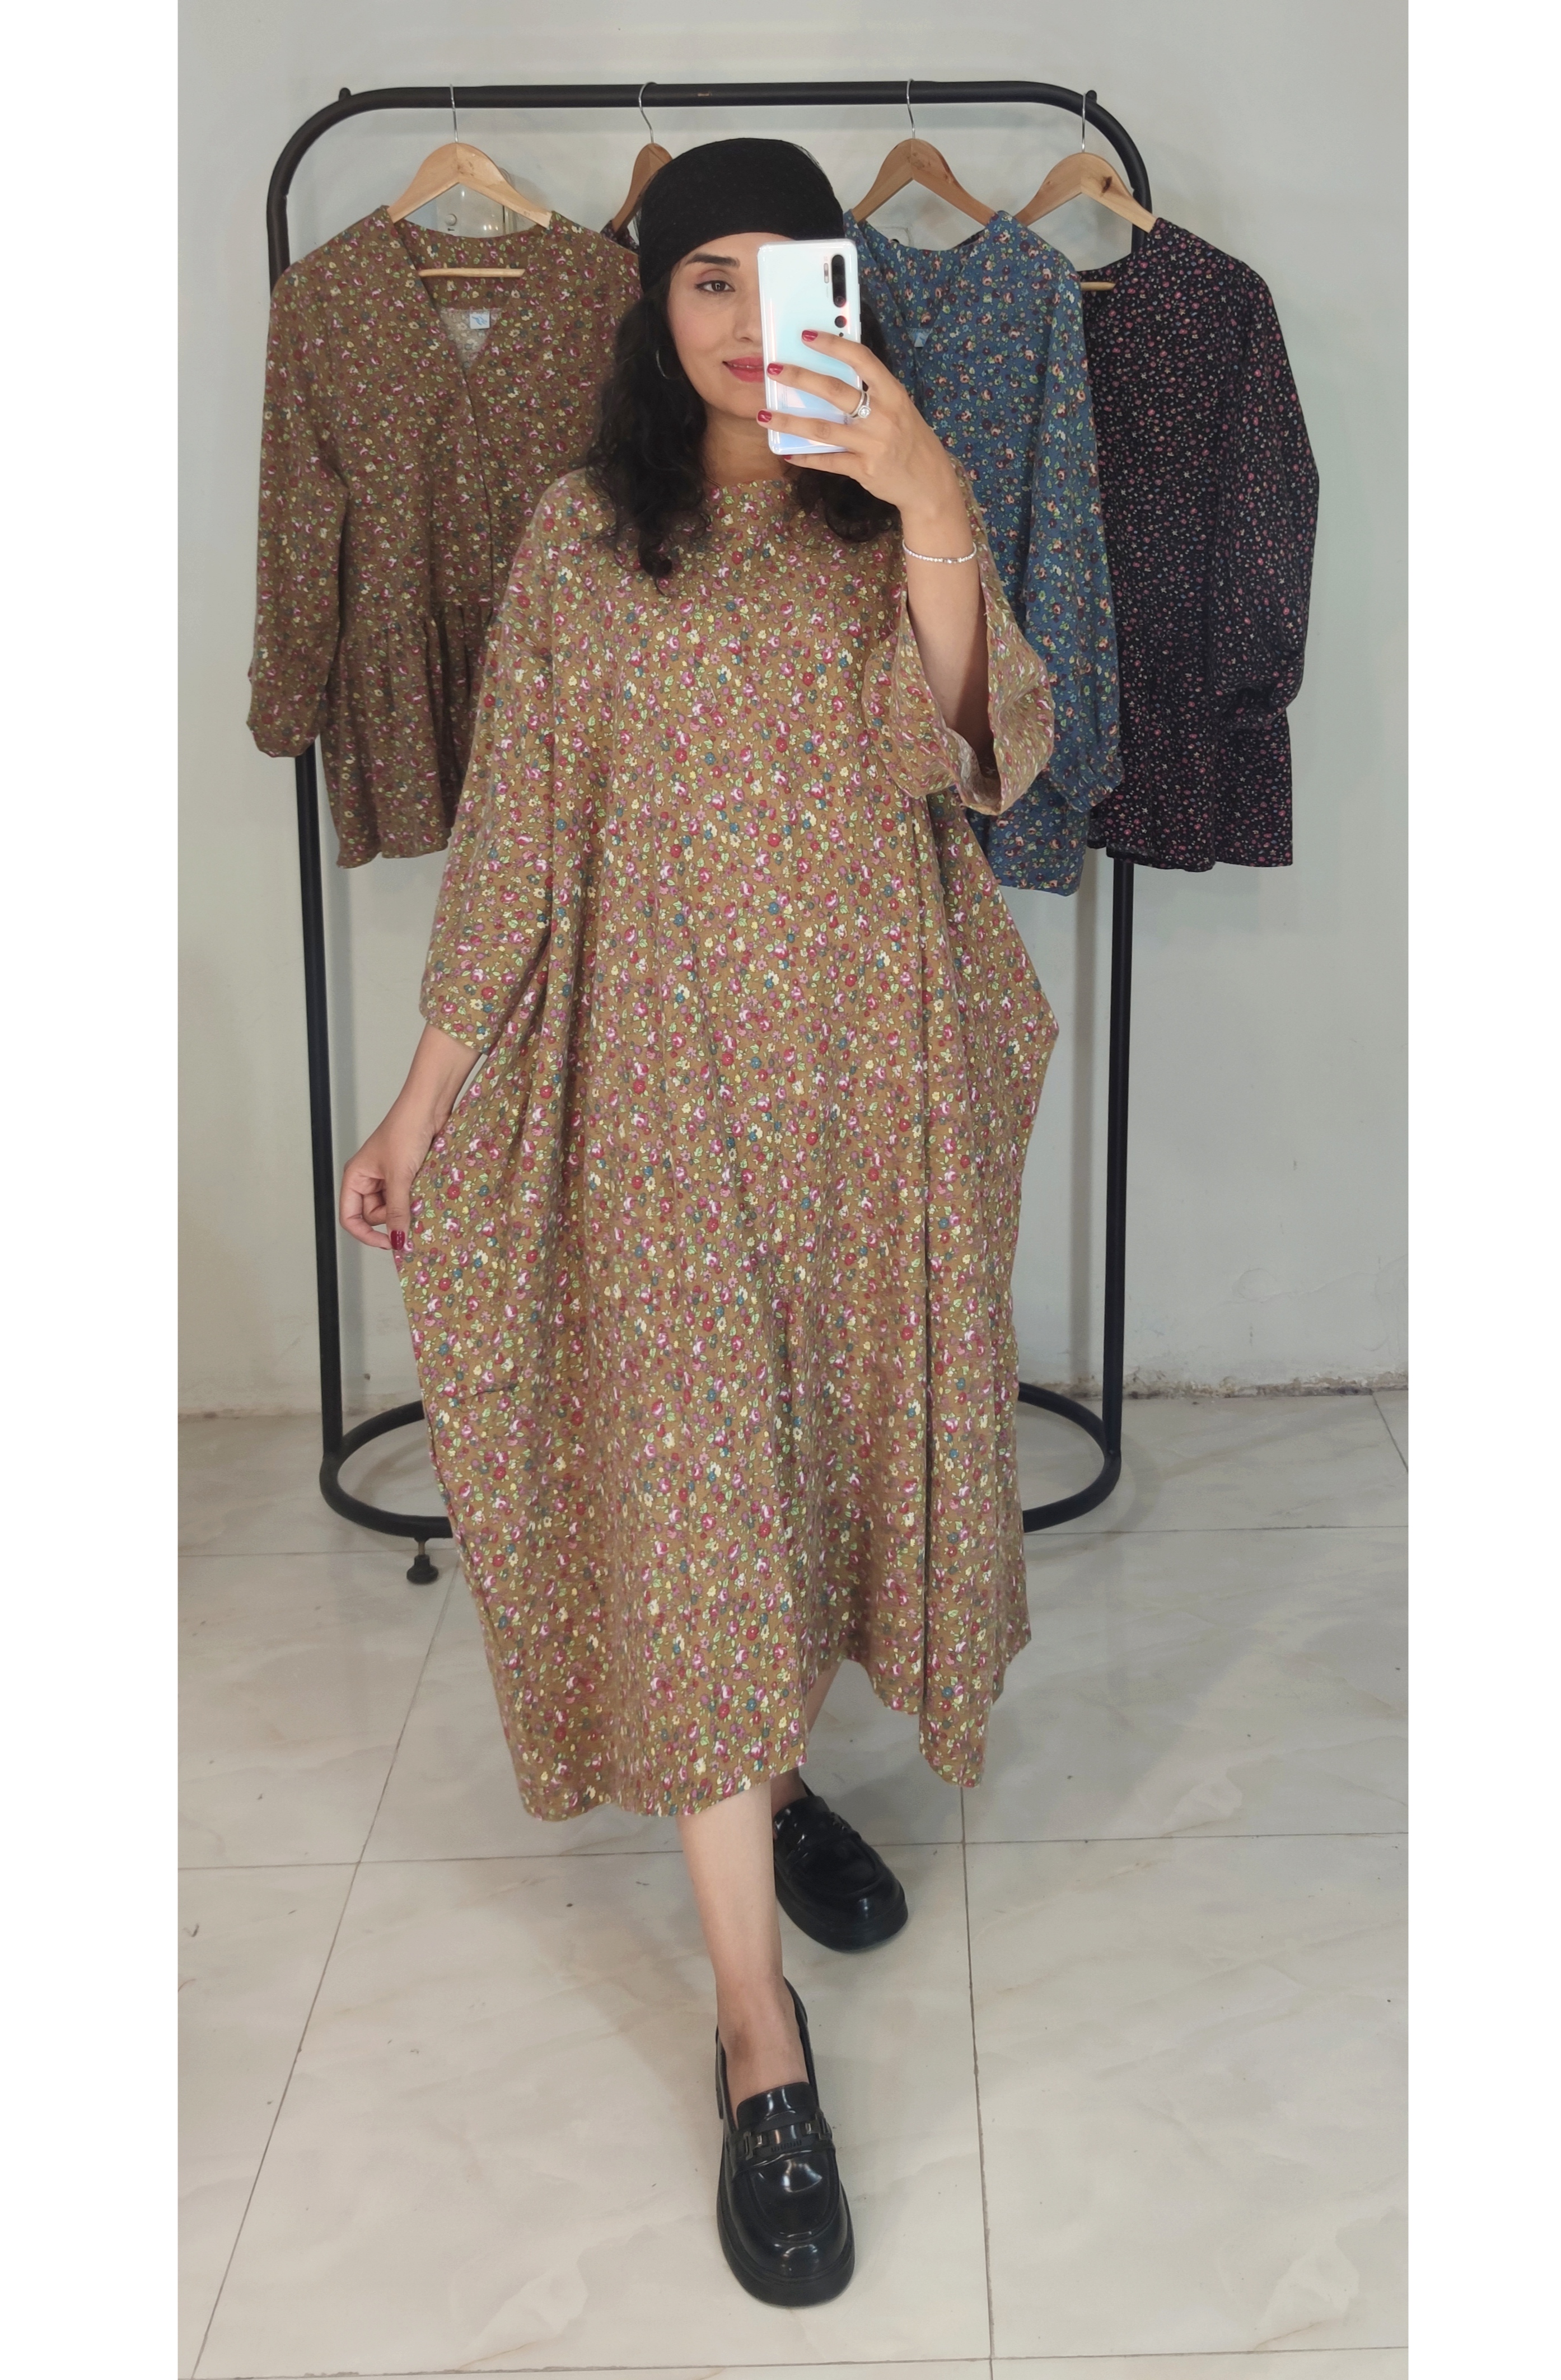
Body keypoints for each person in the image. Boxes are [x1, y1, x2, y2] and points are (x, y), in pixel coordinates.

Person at [338, 139, 1057, 2307]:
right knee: (689, 1506)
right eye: (705, 280)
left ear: (847, 289)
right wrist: (421, 1101)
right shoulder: (582, 538)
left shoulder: (882, 511)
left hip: (865, 1086)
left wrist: (930, 496)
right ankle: (758, 2031)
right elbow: (516, 836)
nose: (749, 322)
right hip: (651, 1092)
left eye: (786, 274)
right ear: (651, 310)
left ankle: (777, 1773)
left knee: (813, 1465)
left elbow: (979, 751)